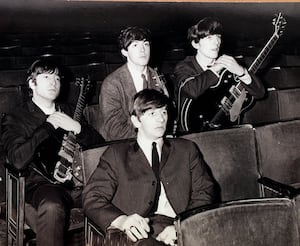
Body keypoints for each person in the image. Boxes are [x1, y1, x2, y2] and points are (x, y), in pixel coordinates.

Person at [83, 89, 216, 246]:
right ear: (136, 121)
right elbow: (92, 197)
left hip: (177, 225)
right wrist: (122, 221)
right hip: (134, 232)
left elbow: (205, 191)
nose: (161, 119)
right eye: (152, 114)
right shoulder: (116, 155)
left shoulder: (186, 149)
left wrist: (180, 226)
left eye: (164, 112)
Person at [1, 58, 104, 246]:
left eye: (57, 78)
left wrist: (78, 128)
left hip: (78, 183)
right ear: (32, 83)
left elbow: (99, 146)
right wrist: (48, 126)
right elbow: (17, 160)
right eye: (46, 77)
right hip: (41, 186)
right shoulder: (16, 117)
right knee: (52, 206)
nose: (53, 82)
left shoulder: (71, 110)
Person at [174, 17, 265, 134]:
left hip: (227, 130)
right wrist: (216, 68)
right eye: (209, 38)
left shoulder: (230, 65)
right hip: (192, 133)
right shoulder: (184, 67)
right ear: (195, 44)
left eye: (218, 37)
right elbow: (191, 90)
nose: (216, 42)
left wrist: (242, 72)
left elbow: (260, 93)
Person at [98, 26, 169, 141]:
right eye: (135, 45)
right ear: (124, 52)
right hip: (123, 144)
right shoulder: (112, 84)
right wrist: (150, 135)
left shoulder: (157, 77)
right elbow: (115, 130)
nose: (142, 50)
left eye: (146, 44)